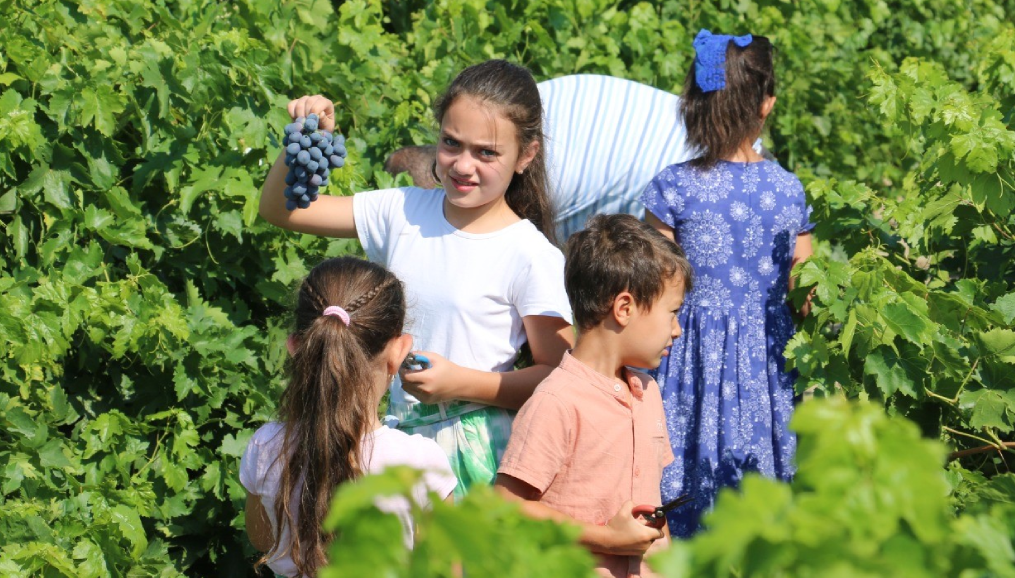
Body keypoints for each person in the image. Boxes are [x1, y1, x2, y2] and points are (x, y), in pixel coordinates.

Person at [258, 59, 575, 495]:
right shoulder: (403, 210)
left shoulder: (530, 254)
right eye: (451, 143)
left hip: (473, 454)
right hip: (385, 443)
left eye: (486, 152)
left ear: (526, 156)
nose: (463, 166)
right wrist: (306, 137)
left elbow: (562, 376)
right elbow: (281, 210)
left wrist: (463, 383)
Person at [642, 30, 814, 537]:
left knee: (678, 496)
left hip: (685, 362)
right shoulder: (788, 189)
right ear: (767, 105)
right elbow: (806, 294)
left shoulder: (672, 186)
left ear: (692, 105)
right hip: (769, 366)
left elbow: (651, 288)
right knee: (764, 506)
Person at [495, 214, 692, 578]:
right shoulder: (557, 401)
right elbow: (507, 507)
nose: (677, 330)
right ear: (625, 308)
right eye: (673, 313)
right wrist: (608, 540)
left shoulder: (648, 393)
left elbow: (654, 507)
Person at [240, 257, 456, 578]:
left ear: (296, 347)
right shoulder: (421, 465)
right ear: (399, 351)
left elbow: (261, 538)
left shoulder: (266, 447)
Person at [386, 74, 765, 242]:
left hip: (577, 122)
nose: (462, 166)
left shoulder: (543, 169)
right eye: (451, 145)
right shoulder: (737, 171)